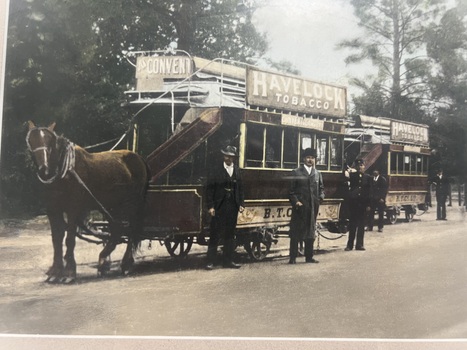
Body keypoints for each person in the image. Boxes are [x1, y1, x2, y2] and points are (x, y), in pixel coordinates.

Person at [205, 145, 245, 270]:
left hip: (232, 206)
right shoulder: (216, 170)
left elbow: (240, 189)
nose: (229, 158)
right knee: (215, 233)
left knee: (230, 234)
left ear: (234, 158)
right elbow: (209, 189)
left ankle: (228, 261)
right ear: (223, 156)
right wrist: (210, 206)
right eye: (227, 156)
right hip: (219, 206)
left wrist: (241, 204)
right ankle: (210, 261)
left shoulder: (237, 170)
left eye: (231, 156)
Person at [288, 148, 325, 264]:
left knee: (310, 231)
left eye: (312, 158)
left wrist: (321, 197)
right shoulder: (296, 172)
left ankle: (309, 257)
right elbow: (291, 191)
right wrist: (296, 202)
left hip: (313, 207)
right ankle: (292, 257)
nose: (310, 160)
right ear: (304, 159)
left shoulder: (318, 174)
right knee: (296, 232)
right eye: (308, 157)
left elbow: (321, 189)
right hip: (300, 207)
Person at [344, 159, 371, 251]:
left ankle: (359, 245)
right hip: (354, 204)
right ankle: (349, 245)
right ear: (355, 167)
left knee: (361, 225)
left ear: (364, 166)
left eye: (362, 165)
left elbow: (369, 192)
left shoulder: (367, 177)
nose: (360, 167)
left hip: (363, 204)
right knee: (352, 225)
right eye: (358, 166)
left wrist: (368, 205)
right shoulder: (352, 176)